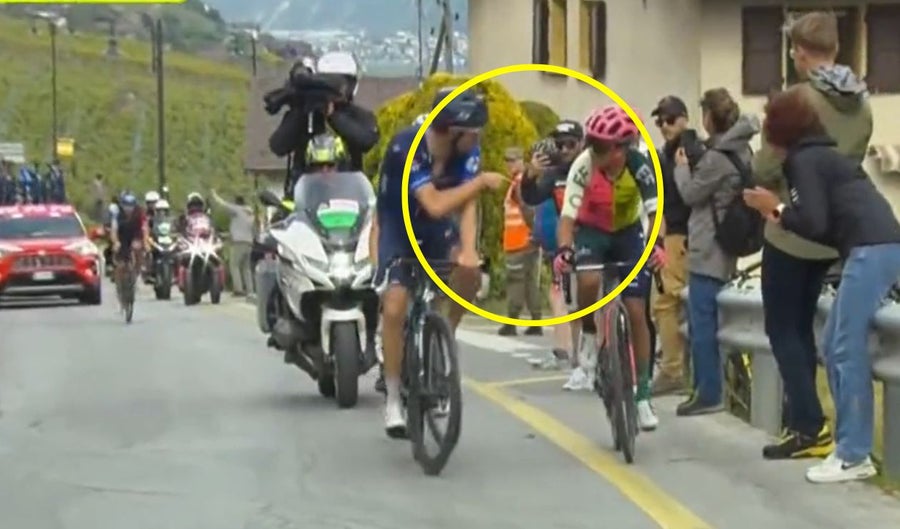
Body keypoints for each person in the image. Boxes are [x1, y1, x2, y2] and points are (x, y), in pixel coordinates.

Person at [743, 85, 900, 483]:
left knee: (844, 346)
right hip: (873, 245)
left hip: (870, 249)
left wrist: (775, 208)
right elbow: (825, 224)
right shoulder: (821, 155)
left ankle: (853, 455)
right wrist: (781, 211)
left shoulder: (803, 162)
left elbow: (811, 222)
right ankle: (848, 447)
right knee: (831, 344)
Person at [751, 10, 872, 460]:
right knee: (808, 329)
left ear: (798, 52)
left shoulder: (795, 101)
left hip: (789, 230)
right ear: (836, 48)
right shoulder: (861, 104)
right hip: (832, 233)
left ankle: (807, 425)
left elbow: (765, 167)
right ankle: (809, 421)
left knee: (784, 328)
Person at [371, 86, 504, 436]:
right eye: (473, 133)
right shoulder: (408, 147)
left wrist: (469, 250)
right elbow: (435, 204)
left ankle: (444, 334)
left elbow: (467, 204)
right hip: (399, 224)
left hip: (435, 229)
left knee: (470, 273)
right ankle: (393, 397)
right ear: (452, 130)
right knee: (395, 305)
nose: (477, 139)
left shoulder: (466, 149)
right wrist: (480, 183)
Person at [553, 105, 665, 430]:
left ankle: (642, 396)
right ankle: (589, 334)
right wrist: (564, 249)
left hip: (628, 233)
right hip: (592, 231)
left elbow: (656, 212)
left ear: (620, 149)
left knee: (637, 310)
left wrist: (657, 245)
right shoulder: (583, 165)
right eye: (591, 143)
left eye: (600, 146)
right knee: (588, 281)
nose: (593, 150)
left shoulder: (640, 166)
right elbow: (567, 218)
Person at [672, 88, 759, 416]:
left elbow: (691, 194)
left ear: (709, 116)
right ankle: (717, 389)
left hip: (708, 246)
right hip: (727, 242)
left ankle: (708, 392)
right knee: (710, 320)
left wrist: (682, 168)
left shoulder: (717, 158)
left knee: (703, 322)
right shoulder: (742, 150)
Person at [519, 120, 584, 371]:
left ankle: (588, 354)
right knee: (567, 296)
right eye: (560, 145)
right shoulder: (554, 175)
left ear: (581, 144)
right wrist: (530, 174)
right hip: (567, 241)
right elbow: (531, 196)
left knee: (589, 297)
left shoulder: (590, 165)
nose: (565, 150)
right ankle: (569, 354)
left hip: (595, 237)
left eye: (570, 144)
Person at [269, 52, 379, 198]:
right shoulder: (306, 113)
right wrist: (301, 110)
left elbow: (367, 140)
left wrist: (332, 116)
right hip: (306, 199)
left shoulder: (357, 115)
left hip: (348, 198)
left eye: (342, 84)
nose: (336, 89)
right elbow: (278, 146)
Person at [649, 96, 696, 395]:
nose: (664, 126)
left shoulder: (685, 151)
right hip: (677, 237)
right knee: (678, 303)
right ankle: (680, 369)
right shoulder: (668, 154)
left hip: (681, 236)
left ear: (684, 118)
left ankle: (672, 370)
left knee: (665, 302)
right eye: (659, 121)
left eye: (669, 120)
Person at [498, 146, 542, 336]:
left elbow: (527, 208)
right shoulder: (523, 182)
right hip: (527, 240)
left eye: (513, 160)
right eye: (507, 160)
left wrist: (532, 231)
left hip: (518, 241)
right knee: (530, 281)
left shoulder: (518, 183)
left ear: (521, 162)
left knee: (515, 281)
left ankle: (511, 322)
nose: (509, 164)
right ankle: (536, 321)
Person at [211, 189, 255, 297]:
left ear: (237, 203)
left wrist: (214, 195)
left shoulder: (237, 210)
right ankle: (250, 290)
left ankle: (238, 289)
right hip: (249, 242)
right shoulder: (250, 213)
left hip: (238, 242)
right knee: (246, 268)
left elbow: (223, 204)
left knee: (234, 265)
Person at [109, 192, 150, 307]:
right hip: (122, 235)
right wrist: (116, 242)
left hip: (135, 234)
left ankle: (136, 273)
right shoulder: (117, 214)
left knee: (138, 248)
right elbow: (114, 230)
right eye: (126, 206)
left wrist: (145, 242)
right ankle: (119, 283)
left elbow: (144, 228)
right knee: (120, 262)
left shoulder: (139, 213)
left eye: (131, 206)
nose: (128, 209)